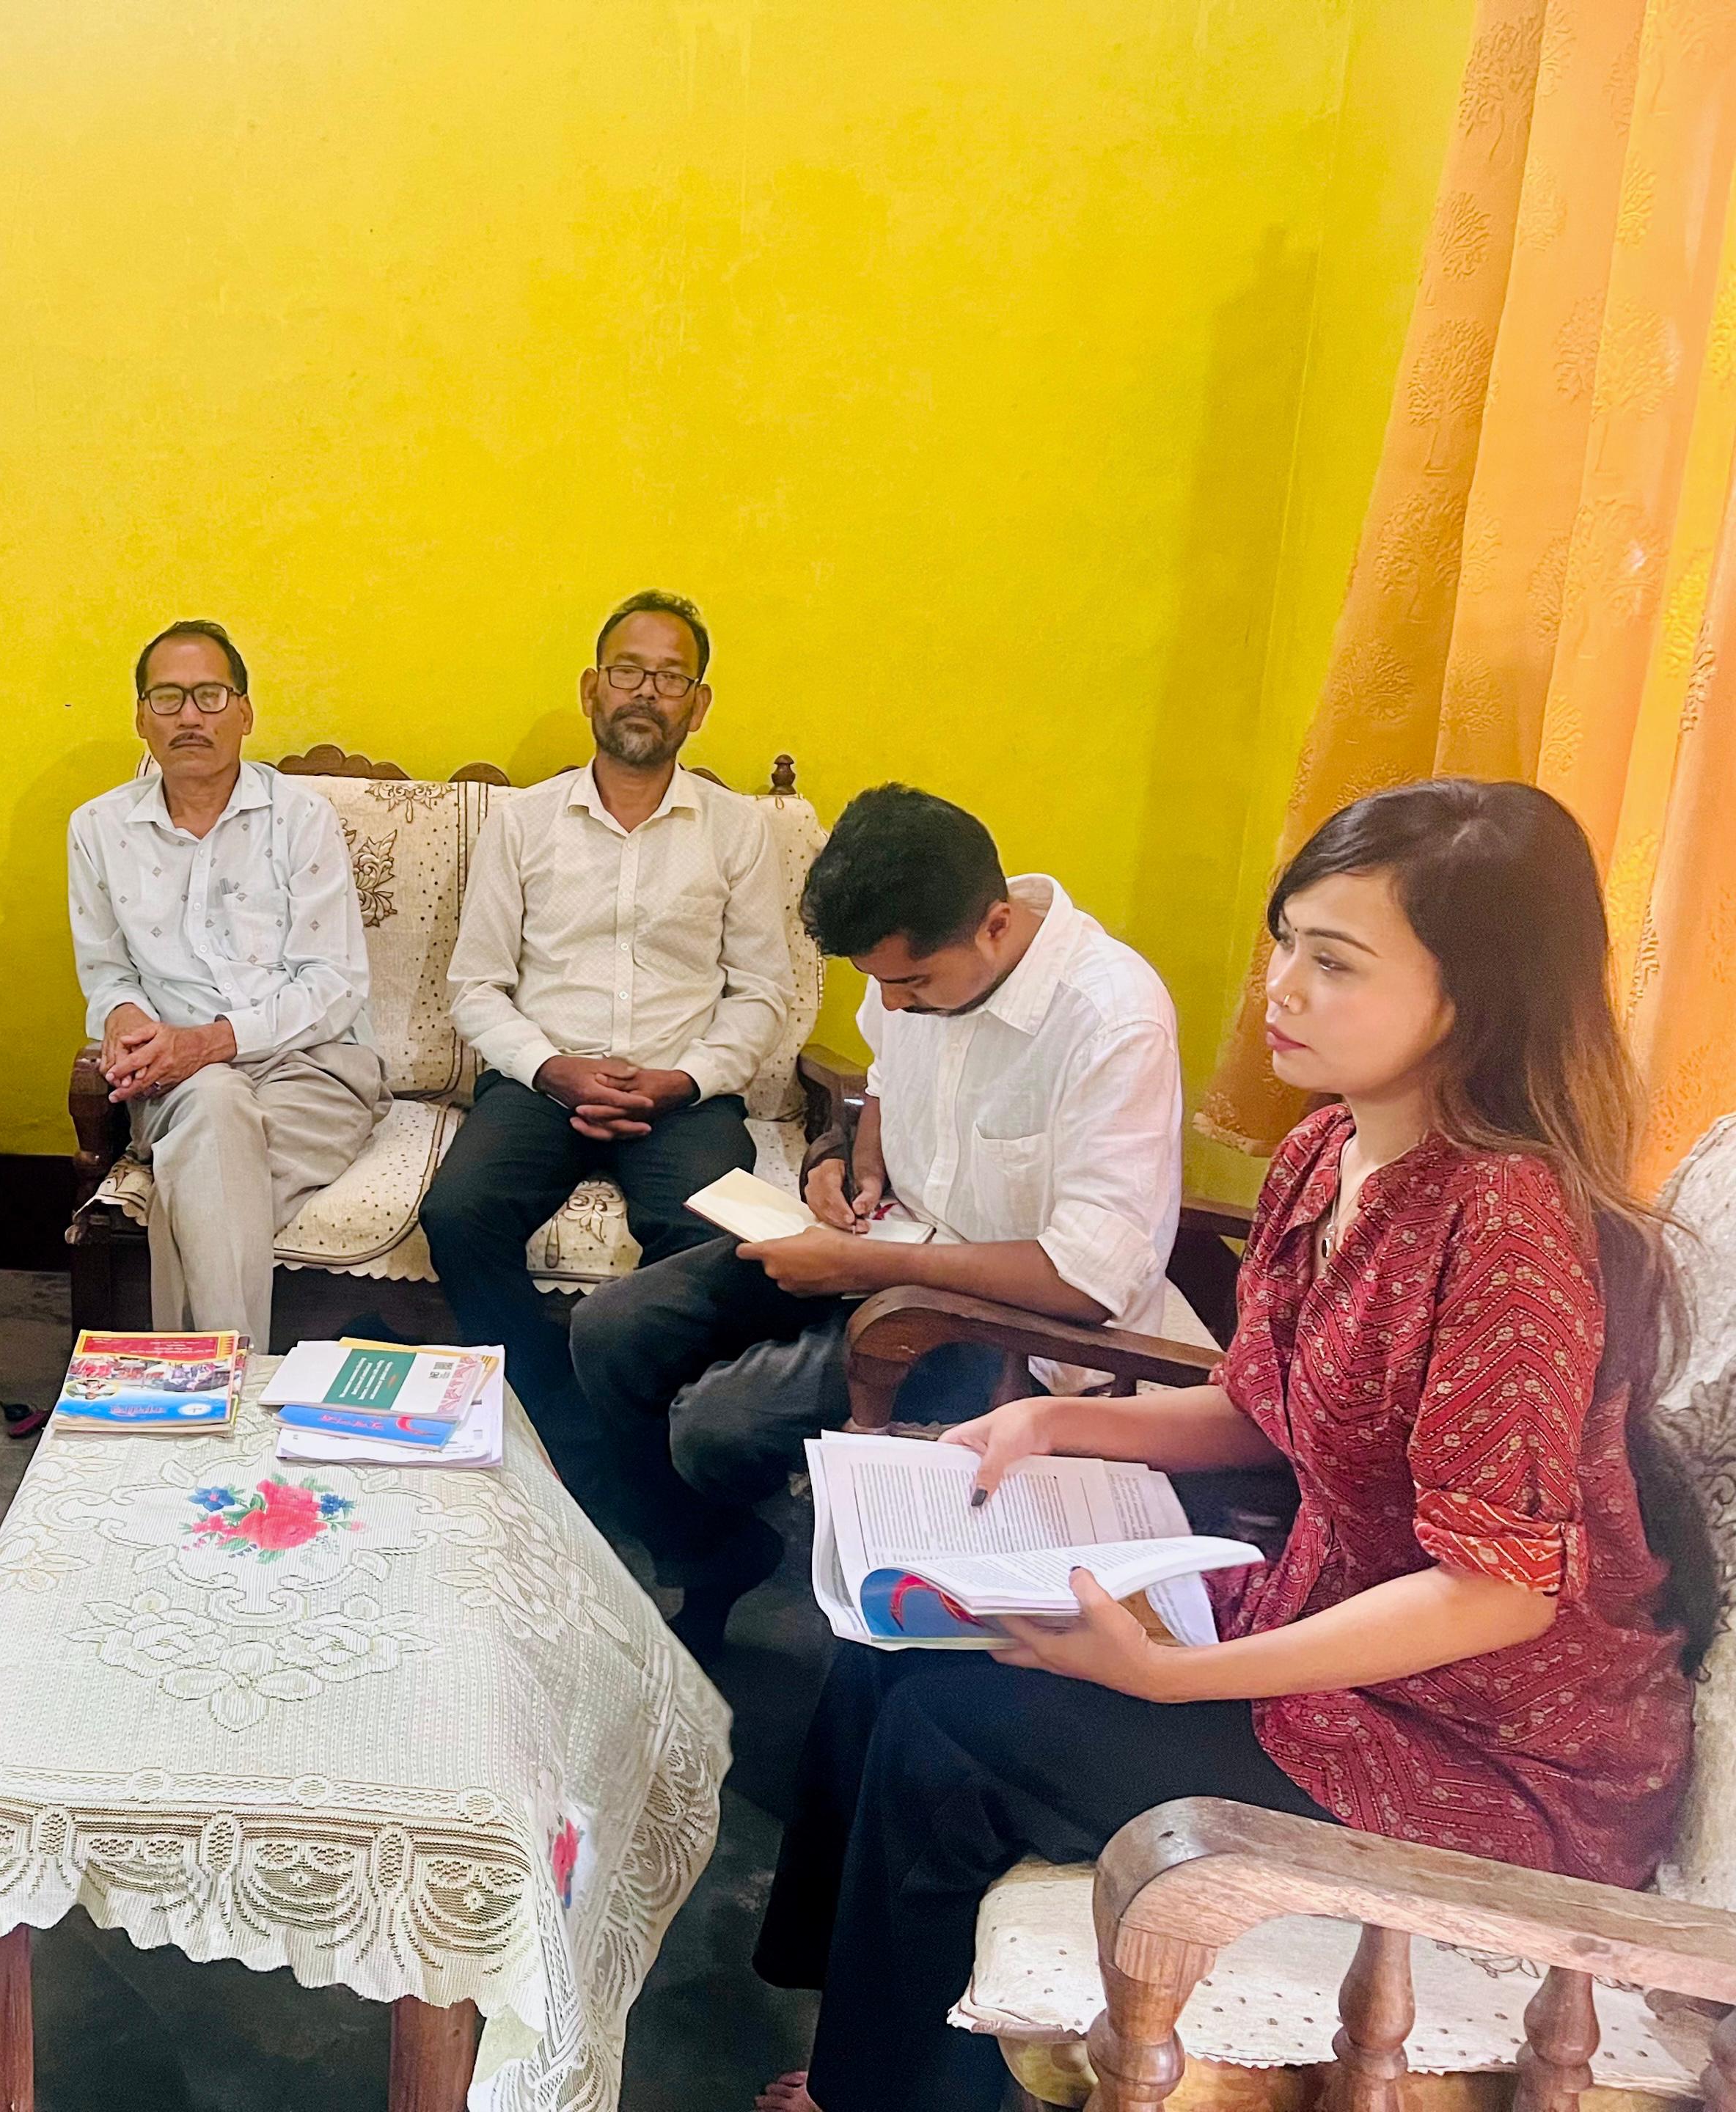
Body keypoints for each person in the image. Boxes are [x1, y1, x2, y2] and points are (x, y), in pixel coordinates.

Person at [752, 778, 1707, 2112]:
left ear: (1473, 998)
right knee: (884, 1660)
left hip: (1483, 1741)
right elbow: (1265, 1405)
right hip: (1330, 1615)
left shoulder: (1508, 1230)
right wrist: (1049, 1419)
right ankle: (865, 2045)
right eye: (1288, 943)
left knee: (950, 1743)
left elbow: (1499, 1587)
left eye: (1335, 962)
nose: (1284, 989)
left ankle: (879, 2088)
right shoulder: (1328, 1151)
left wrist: (1172, 1680)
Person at [573, 783, 1188, 1660]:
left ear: (997, 926)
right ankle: (715, 1555)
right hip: (892, 1247)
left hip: (1018, 1327)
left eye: (912, 983)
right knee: (613, 1328)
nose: (892, 1005)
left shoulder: (1109, 1019)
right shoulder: (918, 976)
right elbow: (884, 1089)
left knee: (720, 1429)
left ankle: (787, 1596)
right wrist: (843, 1161)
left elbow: (1089, 1281)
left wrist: (858, 1271)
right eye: (878, 983)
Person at [420, 590, 791, 1473]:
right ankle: (550, 1426)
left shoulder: (738, 831)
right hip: (542, 1081)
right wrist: (553, 1070)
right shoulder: (523, 822)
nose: (645, 692)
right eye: (629, 670)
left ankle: (660, 1444)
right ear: (591, 688)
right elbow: (476, 986)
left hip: (684, 1092)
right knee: (459, 1212)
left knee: (716, 1237)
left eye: (671, 678)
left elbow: (765, 994)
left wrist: (683, 1080)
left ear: (698, 706)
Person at [68, 618, 385, 1349]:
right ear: (140, 717)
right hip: (175, 1085)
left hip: (316, 1069)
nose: (189, 716)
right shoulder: (97, 828)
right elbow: (109, 972)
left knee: (203, 1177)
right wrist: (122, 1020)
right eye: (168, 697)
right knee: (211, 1107)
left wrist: (210, 1042)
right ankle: (233, 1390)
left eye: (209, 696)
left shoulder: (302, 820)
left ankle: (198, 1384)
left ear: (245, 712)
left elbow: (334, 985)